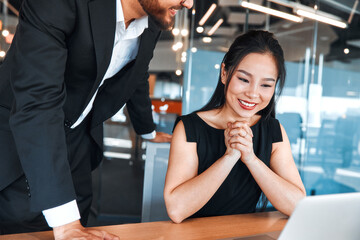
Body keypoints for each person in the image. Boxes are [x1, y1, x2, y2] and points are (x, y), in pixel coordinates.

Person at [0, 0, 193, 238]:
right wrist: (66, 223)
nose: (190, 3)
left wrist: (147, 131)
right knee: (23, 228)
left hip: (79, 145)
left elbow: (137, 73)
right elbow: (38, 103)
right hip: (19, 139)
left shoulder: (152, 22)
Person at [163, 30, 306, 224]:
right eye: (244, 80)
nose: (253, 94)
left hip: (244, 235)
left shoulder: (273, 130)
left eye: (266, 85)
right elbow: (176, 210)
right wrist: (230, 157)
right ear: (224, 73)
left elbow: (298, 206)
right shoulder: (189, 128)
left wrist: (251, 159)